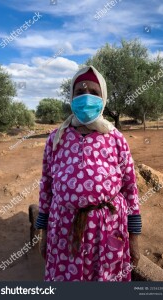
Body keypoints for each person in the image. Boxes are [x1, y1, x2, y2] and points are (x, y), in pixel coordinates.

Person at [35, 65, 142, 281]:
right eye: (80, 92)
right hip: (64, 229)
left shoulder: (116, 139)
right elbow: (46, 187)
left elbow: (130, 188)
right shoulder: (56, 139)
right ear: (71, 97)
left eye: (93, 92)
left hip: (108, 229)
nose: (86, 97)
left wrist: (134, 238)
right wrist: (43, 233)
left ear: (103, 98)